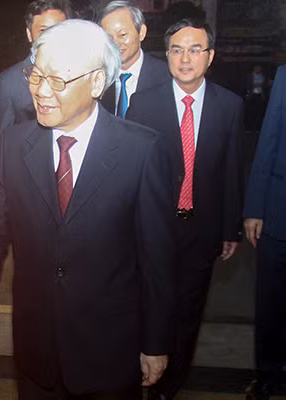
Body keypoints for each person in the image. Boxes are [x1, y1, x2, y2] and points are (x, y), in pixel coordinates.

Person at [0, 19, 175, 399]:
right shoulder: (13, 145)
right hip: (36, 350)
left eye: (58, 80)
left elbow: (156, 259)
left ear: (97, 82)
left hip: (110, 350)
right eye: (36, 76)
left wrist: (155, 342)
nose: (41, 91)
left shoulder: (141, 151)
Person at [126, 19, 244, 400]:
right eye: (177, 50)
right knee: (147, 303)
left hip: (201, 229)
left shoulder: (230, 106)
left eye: (195, 50)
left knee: (187, 314)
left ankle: (168, 386)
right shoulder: (143, 103)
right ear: (167, 55)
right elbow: (130, 172)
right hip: (152, 229)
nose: (185, 58)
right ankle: (139, 374)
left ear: (210, 56)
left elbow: (231, 170)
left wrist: (230, 228)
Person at [243, 65, 286, 400]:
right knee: (271, 303)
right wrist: (255, 207)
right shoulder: (285, 76)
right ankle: (267, 374)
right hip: (278, 211)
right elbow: (268, 138)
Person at [0, 0, 71, 142]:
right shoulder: (8, 83)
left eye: (59, 29)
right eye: (43, 31)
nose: (52, 37)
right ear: (29, 34)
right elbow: (3, 143)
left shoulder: (82, 73)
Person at [98, 0, 169, 118]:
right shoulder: (98, 77)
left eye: (122, 35)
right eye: (109, 38)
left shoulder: (166, 76)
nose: (116, 44)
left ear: (141, 32)